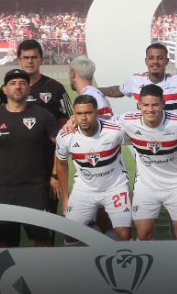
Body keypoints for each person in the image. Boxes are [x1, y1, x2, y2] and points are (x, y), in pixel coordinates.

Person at [0, 69, 61, 247]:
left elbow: (62, 144)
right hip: (2, 189)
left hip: (34, 189)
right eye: (12, 84)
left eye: (22, 83)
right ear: (4, 89)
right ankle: (2, 275)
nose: (17, 87)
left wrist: (54, 174)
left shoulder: (42, 115)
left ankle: (45, 276)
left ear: (29, 88)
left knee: (43, 239)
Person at [116, 83, 177, 241]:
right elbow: (99, 123)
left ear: (163, 104)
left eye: (155, 105)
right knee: (143, 234)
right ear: (138, 104)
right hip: (147, 186)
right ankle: (151, 265)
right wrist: (73, 121)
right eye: (145, 105)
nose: (150, 110)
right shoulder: (127, 121)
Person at [54, 95, 132, 242]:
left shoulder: (115, 130)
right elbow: (61, 163)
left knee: (124, 235)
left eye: (88, 113)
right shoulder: (65, 136)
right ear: (73, 114)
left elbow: (140, 133)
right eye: (79, 113)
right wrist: (66, 197)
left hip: (115, 188)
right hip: (84, 190)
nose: (83, 118)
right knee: (70, 235)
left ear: (96, 112)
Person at [100, 43, 177, 115]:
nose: (155, 62)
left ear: (167, 61)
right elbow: (115, 91)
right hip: (147, 134)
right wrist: (93, 89)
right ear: (146, 61)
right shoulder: (135, 80)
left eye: (160, 58)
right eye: (151, 58)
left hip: (175, 137)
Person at [0, 39, 72, 125]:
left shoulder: (56, 87)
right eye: (25, 58)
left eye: (34, 57)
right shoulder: (7, 90)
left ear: (41, 60)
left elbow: (66, 124)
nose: (30, 62)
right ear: (19, 61)